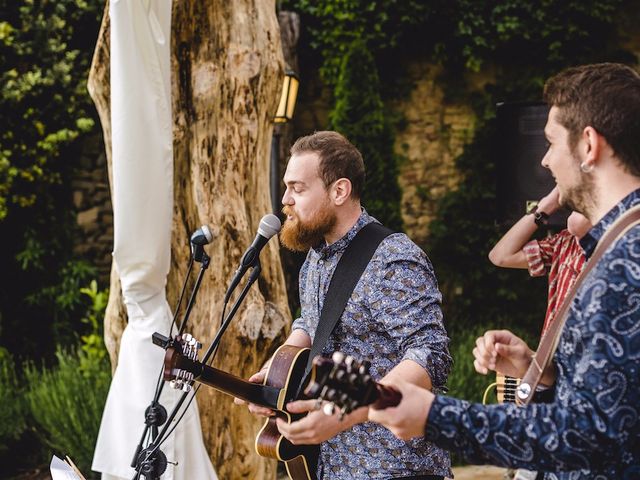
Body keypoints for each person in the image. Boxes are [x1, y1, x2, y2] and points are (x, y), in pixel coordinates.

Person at [368, 63, 640, 479]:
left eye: (551, 143)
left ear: (589, 146)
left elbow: (590, 437)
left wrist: (435, 416)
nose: (546, 161)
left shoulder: (624, 260)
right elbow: (614, 411)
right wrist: (543, 369)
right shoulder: (615, 247)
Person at [236, 131, 453, 479]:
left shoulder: (392, 259)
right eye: (287, 187)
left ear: (339, 191)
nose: (285, 200)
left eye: (298, 188)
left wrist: (346, 411)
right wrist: (277, 372)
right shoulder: (315, 260)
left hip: (396, 465)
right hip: (332, 465)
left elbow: (429, 354)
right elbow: (311, 323)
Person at [488, 186, 591, 334]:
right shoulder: (564, 243)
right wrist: (544, 208)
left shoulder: (621, 245)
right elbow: (501, 256)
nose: (544, 162)